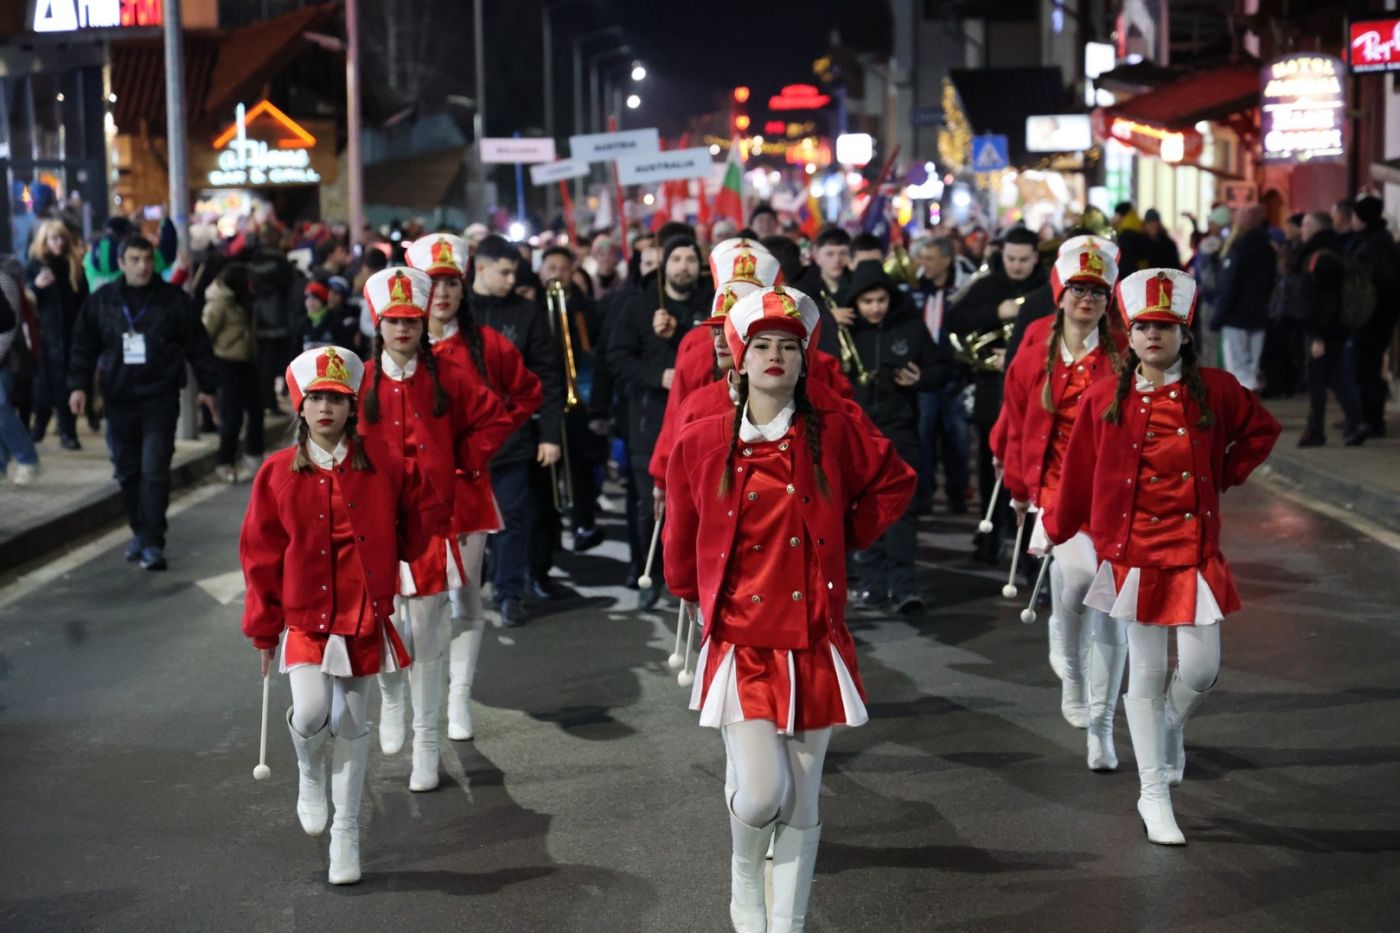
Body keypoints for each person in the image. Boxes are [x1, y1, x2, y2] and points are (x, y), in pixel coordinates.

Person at [665, 284, 915, 931]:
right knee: (759, 794)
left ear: (805, 360)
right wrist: (690, 591)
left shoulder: (835, 429)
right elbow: (681, 529)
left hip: (814, 640)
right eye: (762, 346)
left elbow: (895, 481)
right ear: (739, 358)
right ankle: (745, 881)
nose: (775, 356)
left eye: (788, 346)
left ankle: (789, 920)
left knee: (803, 800)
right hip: (743, 641)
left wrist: (842, 535)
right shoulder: (702, 438)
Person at [1044, 268, 1280, 845]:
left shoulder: (1217, 389)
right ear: (1129, 334)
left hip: (1195, 552)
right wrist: (1058, 528)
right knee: (1146, 673)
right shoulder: (1104, 396)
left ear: (1184, 334)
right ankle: (1153, 794)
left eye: (1165, 327)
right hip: (1136, 554)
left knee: (1200, 670)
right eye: (1144, 326)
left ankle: (1170, 724)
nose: (1154, 335)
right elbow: (1078, 471)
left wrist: (1223, 473)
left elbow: (1261, 430)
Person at [241, 345, 442, 885]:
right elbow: (259, 556)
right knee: (310, 712)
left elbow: (419, 516)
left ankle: (345, 835)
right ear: (300, 406)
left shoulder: (384, 463)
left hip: (362, 615)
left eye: (336, 398)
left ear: (353, 406)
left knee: (352, 722)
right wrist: (263, 629)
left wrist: (410, 561)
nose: (325, 408)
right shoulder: (276, 472)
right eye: (315, 398)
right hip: (305, 616)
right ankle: (309, 770)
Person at [357, 266, 512, 790]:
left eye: (411, 319)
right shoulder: (358, 380)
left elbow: (495, 418)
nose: (402, 328)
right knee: (380, 624)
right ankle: (391, 696)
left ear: (423, 323)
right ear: (378, 323)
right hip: (372, 528)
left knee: (427, 632)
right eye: (393, 319)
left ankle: (427, 741)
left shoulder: (448, 375)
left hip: (429, 526)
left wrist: (460, 462)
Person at [994, 239, 1125, 764]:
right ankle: (1072, 673)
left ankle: (1095, 697)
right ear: (1060, 293)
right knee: (1078, 579)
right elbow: (1016, 423)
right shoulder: (1033, 352)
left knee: (1107, 601)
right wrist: (1017, 489)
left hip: (1109, 493)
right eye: (1078, 289)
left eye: (1097, 291)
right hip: (1054, 490)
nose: (1086, 299)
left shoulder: (1123, 354)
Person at [407, 233, 542, 740]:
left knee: (465, 598)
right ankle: (412, 700)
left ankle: (458, 697)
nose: (442, 293)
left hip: (466, 492)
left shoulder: (486, 345)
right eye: (432, 283)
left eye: (451, 282)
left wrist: (482, 446)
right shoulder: (397, 346)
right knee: (412, 607)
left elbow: (527, 393)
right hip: (409, 500)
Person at [68, 235, 219, 570]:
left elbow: (198, 344)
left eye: (148, 259)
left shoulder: (173, 300)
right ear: (122, 264)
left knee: (154, 470)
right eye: (135, 260)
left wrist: (209, 387)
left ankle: (152, 541)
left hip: (160, 399)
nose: (143, 266)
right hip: (118, 399)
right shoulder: (103, 301)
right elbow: (83, 346)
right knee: (127, 471)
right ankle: (140, 531)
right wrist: (78, 386)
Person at [607, 234, 711, 608]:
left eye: (690, 259)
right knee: (647, 503)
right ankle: (647, 571)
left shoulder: (710, 304)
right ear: (664, 265)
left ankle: (691, 573)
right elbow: (617, 359)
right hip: (649, 419)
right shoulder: (639, 306)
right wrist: (657, 376)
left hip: (697, 419)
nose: (683, 266)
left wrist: (679, 332)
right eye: (676, 259)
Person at [841, 261, 950, 611]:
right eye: (867, 301)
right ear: (855, 302)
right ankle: (872, 583)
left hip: (900, 433)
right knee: (863, 510)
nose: (875, 308)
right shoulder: (844, 331)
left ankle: (904, 586)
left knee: (903, 510)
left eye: (881, 300)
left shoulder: (910, 327)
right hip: (856, 436)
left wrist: (921, 379)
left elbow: (942, 368)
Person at [468, 235, 564, 625]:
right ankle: (465, 591)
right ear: (481, 268)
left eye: (515, 272)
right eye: (505, 272)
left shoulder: (527, 314)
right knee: (466, 524)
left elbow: (548, 376)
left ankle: (508, 592)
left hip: (513, 435)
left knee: (512, 518)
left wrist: (550, 434)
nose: (512, 280)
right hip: (463, 439)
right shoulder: (457, 311)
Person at [946, 226, 1047, 564]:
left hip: (1035, 391)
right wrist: (995, 312)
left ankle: (1029, 547)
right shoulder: (986, 285)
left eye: (1023, 259)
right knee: (991, 464)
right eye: (1011, 258)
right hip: (991, 387)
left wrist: (1019, 355)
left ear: (1036, 257)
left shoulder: (1046, 289)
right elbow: (953, 319)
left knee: (1031, 468)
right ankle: (989, 539)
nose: (1016, 265)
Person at [1293, 212, 1367, 447]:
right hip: (1338, 328)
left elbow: (1319, 300)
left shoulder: (1318, 259)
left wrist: (1317, 335)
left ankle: (1316, 430)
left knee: (1318, 381)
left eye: (1306, 225)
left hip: (1323, 331)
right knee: (1337, 376)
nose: (1301, 230)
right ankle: (1356, 422)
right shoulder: (1337, 251)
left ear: (1316, 228)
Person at [910, 236, 971, 514]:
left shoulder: (964, 287)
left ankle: (957, 493)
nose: (924, 264)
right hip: (923, 374)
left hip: (955, 374)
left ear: (947, 260)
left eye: (931, 258)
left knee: (957, 437)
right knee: (923, 437)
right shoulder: (912, 287)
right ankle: (924, 494)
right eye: (922, 258)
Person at [26, 218, 89, 449]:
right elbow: (25, 303)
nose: (59, 242)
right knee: (43, 387)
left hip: (70, 334)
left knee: (66, 386)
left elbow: (84, 300)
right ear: (44, 240)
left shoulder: (73, 265)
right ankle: (39, 427)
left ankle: (67, 431)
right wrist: (36, 287)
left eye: (62, 237)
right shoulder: (35, 265)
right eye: (54, 238)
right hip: (44, 335)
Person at [202, 263, 266, 483]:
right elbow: (205, 335)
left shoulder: (242, 299)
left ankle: (254, 456)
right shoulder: (218, 303)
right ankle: (224, 461)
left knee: (256, 409)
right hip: (226, 363)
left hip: (246, 361)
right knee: (232, 415)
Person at [1348, 195, 1400, 437]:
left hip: (1373, 318)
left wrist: (1364, 309)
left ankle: (1370, 420)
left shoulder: (1374, 245)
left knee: (1366, 367)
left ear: (1362, 218)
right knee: (1367, 366)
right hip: (1377, 316)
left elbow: (1380, 282)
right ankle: (1367, 417)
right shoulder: (1378, 240)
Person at [1211, 206, 1276, 392]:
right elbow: (1270, 283)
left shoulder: (1237, 249)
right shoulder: (1268, 249)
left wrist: (1218, 316)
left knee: (1238, 370)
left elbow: (1229, 286)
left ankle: (1242, 406)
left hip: (1235, 318)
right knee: (1252, 368)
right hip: (1258, 315)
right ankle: (1251, 403)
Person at [1, 275, 41, 484]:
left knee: (0, 408)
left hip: (6, 359)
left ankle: (28, 458)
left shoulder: (3, 279)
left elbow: (9, 326)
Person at [794, 226, 853, 359]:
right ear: (816, 255)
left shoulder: (857, 284)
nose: (837, 260)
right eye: (830, 254)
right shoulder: (803, 289)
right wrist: (829, 318)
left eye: (843, 253)